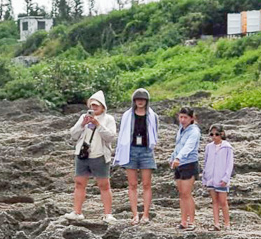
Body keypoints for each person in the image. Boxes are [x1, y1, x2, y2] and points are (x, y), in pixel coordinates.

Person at [64, 91, 117, 223]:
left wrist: (98, 124)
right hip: (83, 155)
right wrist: (83, 124)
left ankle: (108, 214)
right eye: (91, 106)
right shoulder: (84, 117)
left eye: (96, 106)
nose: (93, 108)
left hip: (99, 156)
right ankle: (77, 212)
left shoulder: (108, 119)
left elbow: (110, 137)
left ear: (102, 107)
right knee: (79, 183)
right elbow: (73, 135)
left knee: (104, 185)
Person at [113, 87, 159, 225]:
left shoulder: (152, 116)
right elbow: (122, 133)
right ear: (134, 100)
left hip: (146, 150)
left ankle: (145, 214)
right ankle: (134, 214)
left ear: (147, 101)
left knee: (146, 183)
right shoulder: (127, 115)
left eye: (143, 99)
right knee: (132, 184)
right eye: (138, 99)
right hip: (131, 150)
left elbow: (155, 132)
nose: (140, 101)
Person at [170, 106, 201, 231]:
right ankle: (183, 221)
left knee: (187, 193)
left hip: (189, 163)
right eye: (181, 117)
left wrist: (178, 158)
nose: (182, 120)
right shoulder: (181, 130)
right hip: (179, 164)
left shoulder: (194, 131)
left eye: (185, 117)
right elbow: (178, 145)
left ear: (191, 118)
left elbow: (188, 147)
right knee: (181, 193)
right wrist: (172, 158)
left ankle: (192, 221)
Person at [201, 124, 234, 231]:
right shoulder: (208, 147)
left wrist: (226, 178)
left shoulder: (227, 147)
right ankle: (216, 223)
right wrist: (205, 177)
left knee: (223, 202)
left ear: (222, 134)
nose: (214, 136)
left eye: (216, 134)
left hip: (221, 179)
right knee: (214, 201)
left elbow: (230, 164)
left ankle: (227, 223)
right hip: (210, 178)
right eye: (211, 134)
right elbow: (205, 162)